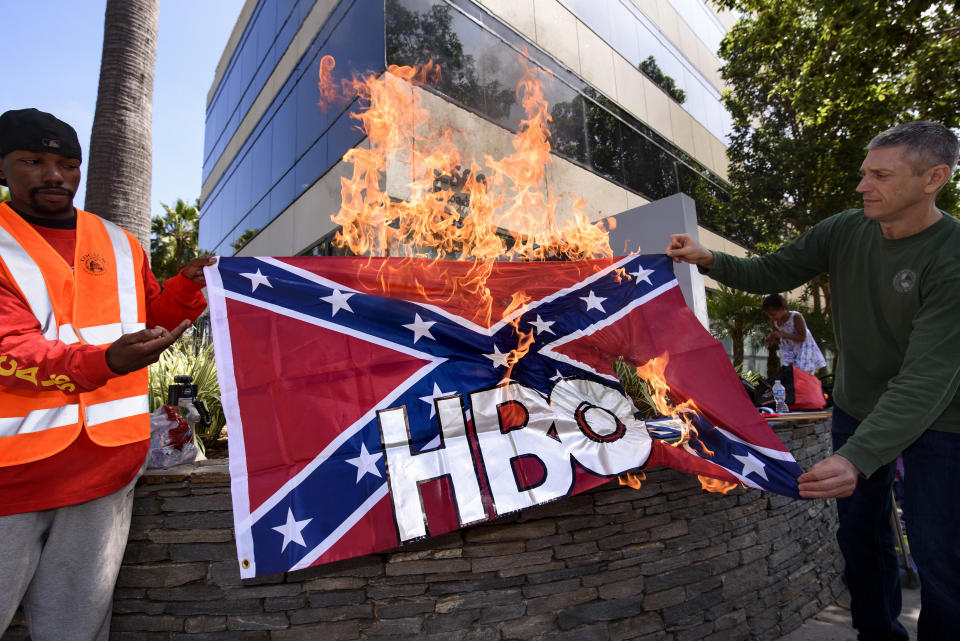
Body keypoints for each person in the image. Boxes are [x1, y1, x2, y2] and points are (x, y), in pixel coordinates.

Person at [666, 120, 960, 641]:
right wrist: (708, 258)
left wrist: (856, 457)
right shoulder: (845, 228)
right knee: (859, 539)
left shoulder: (952, 255)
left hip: (942, 420)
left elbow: (925, 379)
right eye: (864, 172)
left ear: (933, 177)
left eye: (880, 175)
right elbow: (770, 271)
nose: (862, 185)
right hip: (857, 406)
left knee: (941, 553)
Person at [0, 108, 216, 641]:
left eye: (67, 163)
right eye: (34, 161)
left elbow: (153, 318)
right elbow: (10, 352)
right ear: (4, 167)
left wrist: (186, 288)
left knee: (76, 631)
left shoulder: (120, 242)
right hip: (12, 479)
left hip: (105, 472)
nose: (54, 175)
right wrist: (105, 362)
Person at [761, 293, 826, 374]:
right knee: (789, 374)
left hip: (802, 350)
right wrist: (772, 338)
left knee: (802, 374)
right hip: (789, 351)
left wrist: (783, 335)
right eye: (769, 315)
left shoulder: (795, 317)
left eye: (773, 314)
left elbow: (803, 337)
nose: (772, 317)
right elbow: (778, 338)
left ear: (782, 308)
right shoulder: (774, 322)